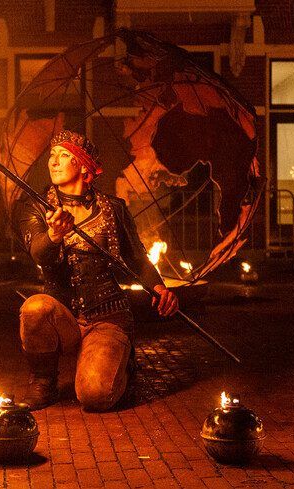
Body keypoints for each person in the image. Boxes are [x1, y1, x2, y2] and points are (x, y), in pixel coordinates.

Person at [16, 130, 179, 412]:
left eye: (64, 155)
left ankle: (118, 361)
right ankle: (44, 382)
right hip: (64, 316)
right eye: (52, 155)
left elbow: (137, 258)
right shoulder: (38, 208)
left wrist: (160, 288)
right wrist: (54, 236)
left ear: (84, 167)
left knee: (94, 396)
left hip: (107, 316)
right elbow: (40, 255)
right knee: (34, 307)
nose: (53, 161)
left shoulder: (113, 209)